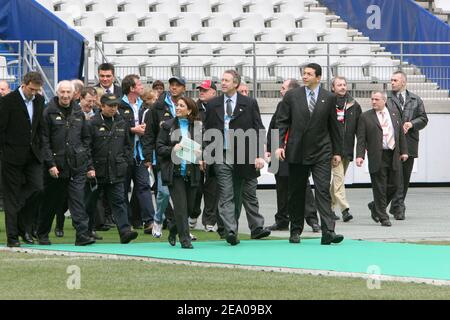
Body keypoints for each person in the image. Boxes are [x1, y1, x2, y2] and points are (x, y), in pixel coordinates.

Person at [275, 63, 344, 245]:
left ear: (318, 77)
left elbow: (334, 126)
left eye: (309, 74)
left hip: (322, 151)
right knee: (296, 192)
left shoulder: (329, 98)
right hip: (297, 150)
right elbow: (282, 122)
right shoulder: (292, 96)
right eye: (303, 74)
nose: (305, 77)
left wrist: (337, 151)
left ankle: (328, 231)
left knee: (322, 191)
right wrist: (279, 144)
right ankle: (295, 230)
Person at [204, 70, 269, 246]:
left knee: (239, 194)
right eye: (222, 80)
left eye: (226, 80)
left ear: (236, 83)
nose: (223, 83)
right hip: (221, 155)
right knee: (226, 193)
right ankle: (231, 230)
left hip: (243, 155)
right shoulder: (212, 105)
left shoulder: (249, 103)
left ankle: (229, 227)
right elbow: (206, 131)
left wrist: (259, 155)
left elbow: (258, 129)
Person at [37, 80, 94, 246]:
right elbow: (44, 141)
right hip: (56, 166)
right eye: (62, 92)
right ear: (57, 93)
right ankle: (42, 234)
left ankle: (82, 235)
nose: (65, 95)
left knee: (78, 201)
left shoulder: (78, 111)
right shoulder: (48, 112)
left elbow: (85, 137)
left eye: (68, 92)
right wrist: (50, 164)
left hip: (76, 165)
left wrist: (84, 158)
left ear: (74, 94)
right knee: (50, 202)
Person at [266, 79, 321, 233]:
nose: (280, 91)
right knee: (281, 187)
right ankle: (282, 220)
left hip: (297, 151)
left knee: (303, 186)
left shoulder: (304, 106)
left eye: (283, 88)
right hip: (279, 152)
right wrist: (270, 148)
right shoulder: (281, 105)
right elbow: (274, 128)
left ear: (291, 91)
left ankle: (312, 219)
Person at [85, 93, 139, 244]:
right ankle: (87, 231)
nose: (114, 108)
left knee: (119, 201)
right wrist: (89, 167)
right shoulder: (92, 123)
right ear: (101, 106)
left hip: (116, 169)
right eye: (110, 106)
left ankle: (125, 231)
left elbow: (128, 144)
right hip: (96, 170)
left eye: (115, 106)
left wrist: (125, 161)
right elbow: (86, 147)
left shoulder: (121, 122)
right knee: (91, 202)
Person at [0, 72, 45, 247]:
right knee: (11, 196)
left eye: (36, 90)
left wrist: (40, 147)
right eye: (31, 89)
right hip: (11, 156)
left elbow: (39, 127)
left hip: (33, 155)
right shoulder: (7, 101)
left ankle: (20, 221)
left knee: (38, 188)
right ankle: (12, 238)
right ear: (23, 84)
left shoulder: (39, 100)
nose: (33, 93)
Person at [142, 76, 186, 238]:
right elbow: (149, 133)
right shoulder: (158, 106)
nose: (174, 87)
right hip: (164, 156)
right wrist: (148, 156)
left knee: (184, 195)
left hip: (184, 156)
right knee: (164, 192)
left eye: (178, 85)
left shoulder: (188, 105)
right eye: (172, 85)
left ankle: (183, 229)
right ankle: (158, 219)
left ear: (184, 88)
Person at [356, 91, 409, 227]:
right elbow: (361, 138)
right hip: (377, 155)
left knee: (395, 185)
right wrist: (360, 156)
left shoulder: (394, 114)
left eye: (377, 99)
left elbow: (400, 135)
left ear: (384, 101)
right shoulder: (365, 117)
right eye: (372, 99)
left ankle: (375, 206)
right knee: (379, 187)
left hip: (393, 154)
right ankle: (383, 216)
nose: (373, 102)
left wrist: (404, 151)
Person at [157, 96, 203, 249]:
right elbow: (159, 148)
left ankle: (173, 228)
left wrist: (201, 155)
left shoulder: (197, 127)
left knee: (190, 208)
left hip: (192, 172)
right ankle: (185, 240)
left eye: (181, 106)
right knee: (181, 207)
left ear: (189, 110)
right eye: (177, 105)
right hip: (174, 173)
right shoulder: (167, 126)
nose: (177, 108)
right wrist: (172, 149)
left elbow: (205, 147)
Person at [387, 71, 428, 220]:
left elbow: (424, 119)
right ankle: (395, 206)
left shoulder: (416, 99)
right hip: (392, 143)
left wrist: (411, 124)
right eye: (391, 80)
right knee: (394, 177)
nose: (392, 82)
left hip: (409, 143)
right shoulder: (387, 98)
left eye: (395, 80)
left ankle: (396, 206)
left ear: (403, 82)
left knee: (404, 176)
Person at [119, 74, 155, 234]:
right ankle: (127, 222)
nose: (142, 87)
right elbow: (115, 128)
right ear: (132, 88)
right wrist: (132, 130)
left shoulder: (144, 106)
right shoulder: (119, 105)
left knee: (144, 186)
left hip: (140, 155)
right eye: (139, 84)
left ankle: (150, 221)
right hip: (123, 154)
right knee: (123, 189)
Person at [330, 76, 362, 222]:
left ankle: (329, 208)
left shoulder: (354, 105)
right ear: (333, 88)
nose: (342, 87)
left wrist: (360, 152)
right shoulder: (327, 103)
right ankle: (345, 209)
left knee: (338, 181)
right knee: (339, 178)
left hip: (347, 148)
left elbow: (360, 130)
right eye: (339, 85)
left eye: (344, 84)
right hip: (332, 149)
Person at [190, 80, 219, 232]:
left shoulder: (220, 108)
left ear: (213, 92)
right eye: (200, 89)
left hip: (215, 152)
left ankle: (209, 220)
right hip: (196, 152)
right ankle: (193, 214)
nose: (201, 92)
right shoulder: (194, 108)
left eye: (205, 90)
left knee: (212, 188)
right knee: (196, 187)